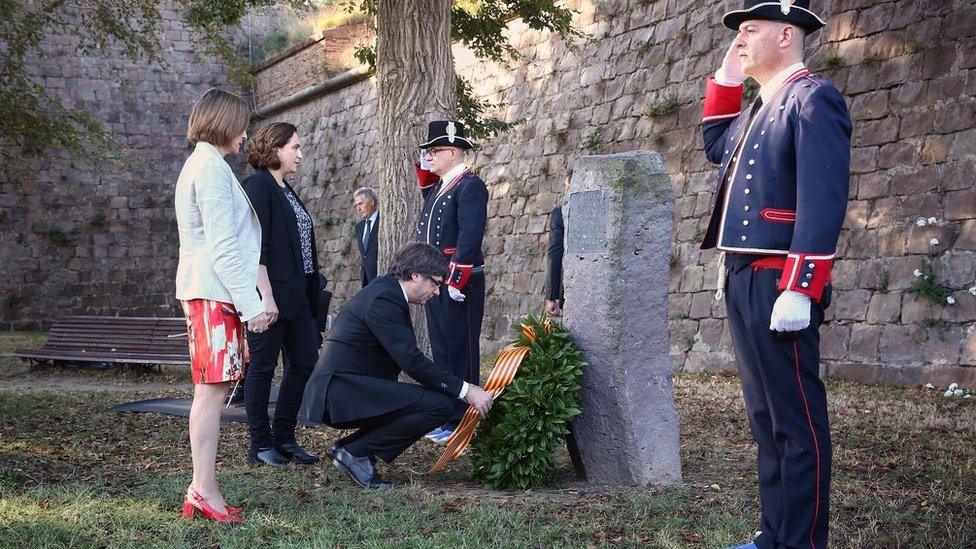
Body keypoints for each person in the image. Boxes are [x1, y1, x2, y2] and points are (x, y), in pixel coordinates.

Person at [700, 2, 850, 548]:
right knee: (765, 418)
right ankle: (773, 534)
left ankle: (803, 541)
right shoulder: (763, 104)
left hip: (779, 279)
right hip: (743, 276)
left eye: (749, 31)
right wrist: (730, 73)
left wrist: (801, 284)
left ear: (787, 34)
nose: (739, 40)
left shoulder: (814, 98)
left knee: (796, 420)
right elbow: (716, 144)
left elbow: (823, 200)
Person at [299, 242, 494, 488]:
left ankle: (350, 448)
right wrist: (467, 391)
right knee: (440, 405)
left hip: (347, 389)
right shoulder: (384, 299)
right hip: (339, 394)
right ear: (415, 275)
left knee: (430, 400)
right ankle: (355, 453)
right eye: (435, 282)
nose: (436, 292)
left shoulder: (386, 292)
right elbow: (412, 362)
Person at [174, 88, 270, 524]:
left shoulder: (206, 164)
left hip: (211, 291)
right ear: (224, 122)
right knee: (211, 394)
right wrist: (251, 305)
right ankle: (203, 491)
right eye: (242, 124)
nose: (246, 134)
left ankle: (204, 489)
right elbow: (223, 247)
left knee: (210, 392)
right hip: (214, 291)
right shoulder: (208, 168)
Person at [240, 122, 322, 467]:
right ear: (275, 149)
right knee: (261, 367)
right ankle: (260, 443)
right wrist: (265, 296)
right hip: (269, 295)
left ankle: (285, 437)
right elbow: (255, 245)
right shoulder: (258, 186)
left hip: (299, 295)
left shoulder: (285, 188)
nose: (300, 155)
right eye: (295, 148)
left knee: (304, 360)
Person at [412, 121, 489, 443]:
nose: (430, 156)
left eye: (436, 150)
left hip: (459, 282)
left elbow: (470, 237)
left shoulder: (469, 185)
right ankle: (448, 414)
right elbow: (425, 179)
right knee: (442, 350)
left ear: (454, 151)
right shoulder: (442, 185)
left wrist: (456, 281)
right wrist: (426, 162)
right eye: (428, 152)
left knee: (461, 351)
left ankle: (464, 419)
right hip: (437, 280)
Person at [544, 173, 571, 317]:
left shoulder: (561, 213)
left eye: (566, 186)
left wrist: (551, 296)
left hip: (571, 288)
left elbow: (554, 254)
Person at [353, 187, 380, 287]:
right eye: (356, 205)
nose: (358, 209)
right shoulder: (359, 228)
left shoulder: (383, 222)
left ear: (372, 202)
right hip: (366, 280)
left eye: (361, 204)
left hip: (380, 276)